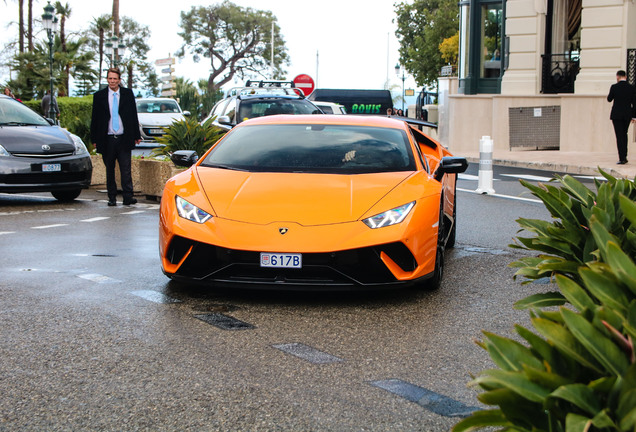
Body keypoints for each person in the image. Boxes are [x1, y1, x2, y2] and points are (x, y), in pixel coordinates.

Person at [90, 67, 141, 206]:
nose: (112, 81)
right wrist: (94, 139)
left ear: (119, 80)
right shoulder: (99, 96)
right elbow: (95, 118)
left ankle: (128, 196)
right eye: (110, 78)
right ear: (107, 79)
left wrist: (136, 135)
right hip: (107, 138)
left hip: (124, 137)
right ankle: (111, 197)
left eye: (115, 79)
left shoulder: (128, 94)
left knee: (126, 169)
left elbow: (133, 115)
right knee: (109, 169)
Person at [607, 70, 636, 165]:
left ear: (617, 77)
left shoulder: (614, 87)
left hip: (616, 114)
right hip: (627, 114)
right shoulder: (631, 88)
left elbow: (609, 99)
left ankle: (622, 158)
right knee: (625, 134)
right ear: (626, 77)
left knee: (619, 136)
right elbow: (634, 103)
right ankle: (625, 155)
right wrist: (634, 116)